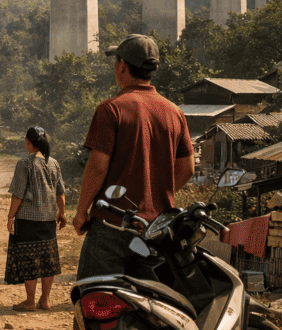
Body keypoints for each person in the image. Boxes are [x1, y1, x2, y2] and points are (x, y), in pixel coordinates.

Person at [73, 34, 195, 280]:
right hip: (156, 230)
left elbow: (97, 168)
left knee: (94, 298)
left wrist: (81, 211)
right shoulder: (174, 112)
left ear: (122, 66)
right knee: (149, 302)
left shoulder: (111, 109)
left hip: (113, 225)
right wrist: (155, 199)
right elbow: (187, 168)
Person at [5, 126, 66, 311]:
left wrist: (10, 217)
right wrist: (62, 213)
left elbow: (18, 194)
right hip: (48, 219)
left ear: (28, 143)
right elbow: (60, 192)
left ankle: (30, 301)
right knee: (48, 260)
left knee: (30, 260)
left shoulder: (24, 164)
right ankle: (45, 300)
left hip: (27, 220)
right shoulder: (53, 163)